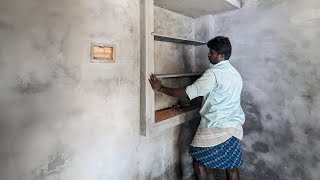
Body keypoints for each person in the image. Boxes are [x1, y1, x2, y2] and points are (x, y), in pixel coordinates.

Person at [149, 36, 245, 180]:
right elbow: (217, 96)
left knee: (198, 162)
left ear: (221, 56)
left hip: (216, 126)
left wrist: (161, 88)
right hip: (234, 127)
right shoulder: (235, 74)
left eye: (211, 52)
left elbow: (188, 93)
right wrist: (193, 104)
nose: (208, 54)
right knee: (232, 167)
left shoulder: (213, 73)